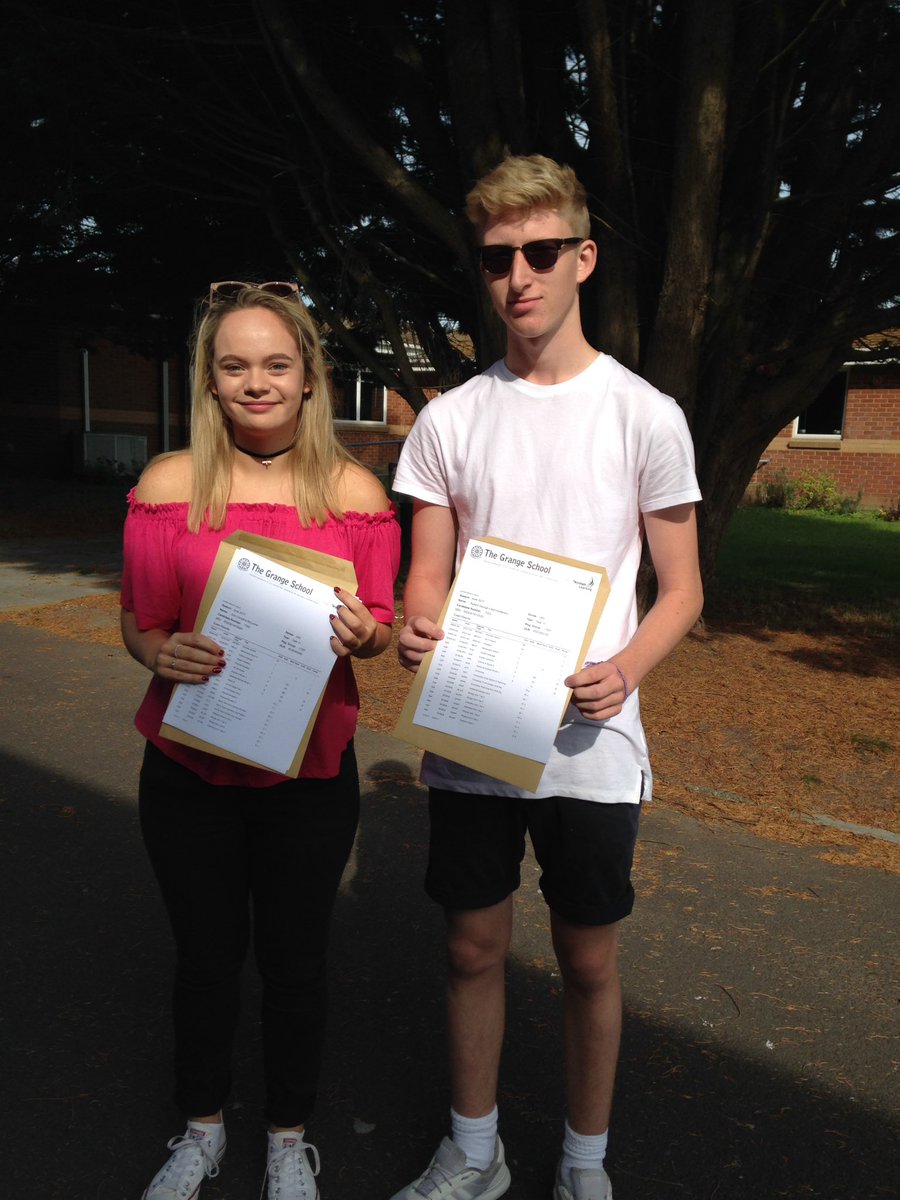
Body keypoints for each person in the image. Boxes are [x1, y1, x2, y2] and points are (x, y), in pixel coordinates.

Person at [389, 156, 704, 1200]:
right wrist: (416, 629)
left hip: (591, 745)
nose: (517, 277)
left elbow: (682, 591)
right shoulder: (449, 423)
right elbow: (425, 582)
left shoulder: (643, 414)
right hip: (480, 729)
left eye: (538, 253)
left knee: (589, 965)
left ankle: (583, 1165)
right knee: (474, 951)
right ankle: (474, 1153)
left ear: (584, 257)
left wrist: (625, 669)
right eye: (495, 259)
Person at [120, 281, 400, 1200]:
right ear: (210, 381)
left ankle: (287, 1135)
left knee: (294, 961)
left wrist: (371, 635)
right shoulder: (168, 488)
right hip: (190, 768)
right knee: (203, 957)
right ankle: (200, 1128)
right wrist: (164, 651)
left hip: (308, 773)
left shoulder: (356, 497)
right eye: (234, 365)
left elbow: (385, 628)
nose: (256, 382)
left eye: (276, 364)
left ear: (311, 378)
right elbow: (139, 622)